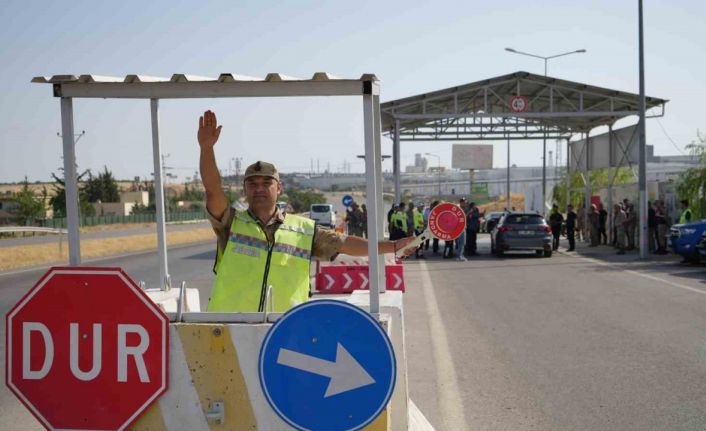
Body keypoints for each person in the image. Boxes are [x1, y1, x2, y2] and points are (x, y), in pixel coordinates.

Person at [197, 110, 415, 312]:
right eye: (253, 184)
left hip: (284, 330)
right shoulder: (231, 222)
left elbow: (345, 243)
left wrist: (393, 246)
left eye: (266, 183)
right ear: (245, 189)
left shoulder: (303, 230)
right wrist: (207, 149)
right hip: (230, 328)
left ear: (279, 188)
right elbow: (213, 190)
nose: (259, 188)